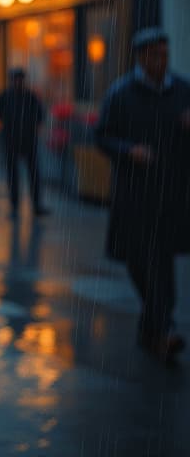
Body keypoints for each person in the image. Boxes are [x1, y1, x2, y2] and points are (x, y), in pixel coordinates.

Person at [95, 27, 190, 363]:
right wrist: (128, 150)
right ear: (140, 57)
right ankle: (154, 328)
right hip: (135, 194)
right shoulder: (121, 94)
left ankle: (163, 329)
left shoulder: (182, 90)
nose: (160, 61)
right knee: (138, 261)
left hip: (171, 192)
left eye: (164, 54)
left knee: (161, 263)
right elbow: (102, 136)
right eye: (154, 55)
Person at [0, 67, 49, 220]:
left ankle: (36, 204)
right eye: (15, 79)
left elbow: (40, 115)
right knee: (14, 174)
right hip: (11, 140)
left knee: (33, 173)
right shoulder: (6, 96)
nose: (18, 82)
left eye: (20, 79)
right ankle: (15, 204)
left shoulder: (30, 97)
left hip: (27, 141)